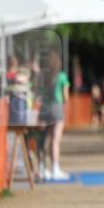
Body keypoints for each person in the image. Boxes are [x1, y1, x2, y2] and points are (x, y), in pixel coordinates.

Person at [37, 50, 70, 181]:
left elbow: (37, 93)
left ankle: (41, 168)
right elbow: (65, 96)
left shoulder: (41, 77)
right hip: (56, 108)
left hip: (44, 108)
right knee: (55, 141)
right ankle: (55, 168)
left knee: (42, 140)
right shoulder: (62, 76)